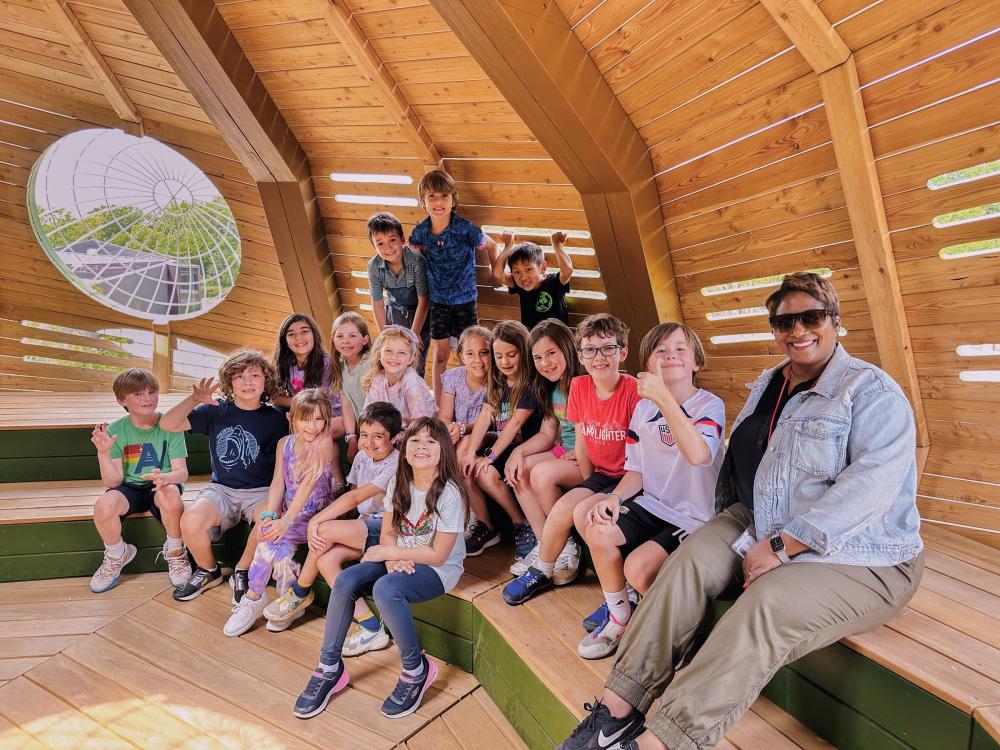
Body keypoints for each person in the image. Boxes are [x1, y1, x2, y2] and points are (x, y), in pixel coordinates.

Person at [558, 273, 925, 750]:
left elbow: (871, 486)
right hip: (761, 518)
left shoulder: (869, 391)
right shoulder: (770, 384)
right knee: (684, 567)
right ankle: (618, 705)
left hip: (861, 552)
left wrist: (782, 545)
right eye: (784, 321)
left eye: (810, 317)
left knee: (763, 606)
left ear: (835, 321)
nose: (797, 330)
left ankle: (666, 739)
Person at [293, 417, 468, 721]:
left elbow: (439, 554)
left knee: (386, 588)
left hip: (439, 569)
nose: (421, 447)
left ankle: (416, 671)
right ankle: (329, 668)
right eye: (415, 440)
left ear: (444, 451)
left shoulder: (449, 493)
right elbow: (388, 532)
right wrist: (391, 559)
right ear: (405, 446)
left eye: (431, 441)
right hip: (399, 556)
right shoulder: (399, 484)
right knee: (346, 579)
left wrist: (391, 552)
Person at [576, 323, 725, 660]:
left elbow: (699, 454)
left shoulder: (709, 405)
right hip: (653, 504)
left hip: (694, 516)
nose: (670, 354)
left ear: (696, 363)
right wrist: (613, 498)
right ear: (648, 364)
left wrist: (662, 397)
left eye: (680, 349)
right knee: (597, 526)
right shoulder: (643, 410)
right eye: (661, 350)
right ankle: (620, 618)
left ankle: (681, 632)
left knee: (638, 569)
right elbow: (637, 471)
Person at [502, 313, 641, 605]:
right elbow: (582, 438)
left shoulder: (633, 391)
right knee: (564, 507)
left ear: (622, 352)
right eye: (590, 350)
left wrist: (599, 490)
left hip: (628, 476)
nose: (598, 357)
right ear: (581, 354)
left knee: (585, 513)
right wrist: (587, 484)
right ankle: (543, 566)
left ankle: (619, 594)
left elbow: (643, 452)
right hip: (600, 474)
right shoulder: (579, 386)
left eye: (607, 349)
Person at [264, 402, 402, 646]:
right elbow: (353, 493)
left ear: (395, 437)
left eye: (378, 436)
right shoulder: (363, 456)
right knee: (326, 560)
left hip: (388, 531)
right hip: (364, 527)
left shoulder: (395, 463)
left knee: (323, 529)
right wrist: (340, 522)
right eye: (365, 435)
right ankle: (371, 627)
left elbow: (356, 497)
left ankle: (300, 591)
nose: (369, 442)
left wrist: (317, 520)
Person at [161, 348, 289, 601]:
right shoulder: (216, 410)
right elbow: (167, 424)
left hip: (261, 491)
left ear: (266, 380)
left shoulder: (277, 419)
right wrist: (194, 400)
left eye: (254, 375)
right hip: (221, 489)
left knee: (267, 520)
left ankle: (242, 570)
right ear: (229, 382)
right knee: (190, 521)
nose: (247, 382)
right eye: (239, 376)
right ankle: (209, 570)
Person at [222, 389, 336, 637]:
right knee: (269, 543)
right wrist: (270, 516)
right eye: (305, 418)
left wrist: (285, 521)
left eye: (319, 419)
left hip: (317, 515)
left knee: (276, 542)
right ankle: (256, 598)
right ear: (291, 418)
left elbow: (307, 486)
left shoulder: (324, 444)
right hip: (288, 514)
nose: (312, 426)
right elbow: (277, 483)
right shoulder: (285, 444)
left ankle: (287, 604)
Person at [88, 368, 190, 593]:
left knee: (171, 495)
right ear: (121, 400)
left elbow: (181, 472)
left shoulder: (170, 425)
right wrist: (103, 454)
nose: (148, 398)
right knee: (103, 506)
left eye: (152, 392)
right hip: (130, 487)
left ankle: (175, 551)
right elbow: (114, 482)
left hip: (162, 484)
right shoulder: (116, 430)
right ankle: (117, 554)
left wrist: (165, 478)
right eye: (138, 394)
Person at [460, 320, 549, 560]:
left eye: (511, 355)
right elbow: (484, 416)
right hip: (506, 447)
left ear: (523, 352)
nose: (505, 362)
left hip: (528, 449)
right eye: (499, 356)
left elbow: (515, 425)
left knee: (486, 471)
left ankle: (523, 525)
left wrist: (490, 457)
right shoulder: (498, 382)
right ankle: (491, 525)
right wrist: (471, 453)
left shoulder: (530, 384)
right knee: (468, 465)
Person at [408, 169, 498, 401]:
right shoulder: (421, 232)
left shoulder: (465, 229)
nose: (438, 202)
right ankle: (439, 405)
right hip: (438, 302)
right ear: (423, 201)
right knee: (440, 354)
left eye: (444, 196)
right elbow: (412, 252)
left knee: (469, 354)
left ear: (453, 199)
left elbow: (491, 245)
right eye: (431, 197)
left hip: (465, 301)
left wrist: (494, 273)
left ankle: (476, 399)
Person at [507, 320, 584, 576]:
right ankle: (545, 544)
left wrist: (585, 453)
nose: (545, 363)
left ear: (567, 348)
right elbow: (548, 433)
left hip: (586, 458)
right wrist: (518, 452)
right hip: (567, 451)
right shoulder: (551, 387)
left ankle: (567, 546)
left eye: (551, 353)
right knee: (520, 470)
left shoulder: (582, 382)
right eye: (538, 357)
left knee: (542, 474)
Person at [272, 312, 347, 488]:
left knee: (319, 433)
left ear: (314, 334)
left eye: (304, 331)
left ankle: (337, 484)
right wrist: (296, 401)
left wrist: (298, 403)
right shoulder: (283, 365)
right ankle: (297, 483)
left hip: (331, 416)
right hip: (304, 417)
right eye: (291, 334)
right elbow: (274, 397)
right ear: (285, 340)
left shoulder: (325, 363)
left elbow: (318, 403)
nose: (299, 338)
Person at [439, 325, 492, 531]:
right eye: (470, 354)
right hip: (459, 432)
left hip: (486, 434)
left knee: (464, 445)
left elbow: (492, 421)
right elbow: (444, 415)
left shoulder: (494, 380)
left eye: (484, 353)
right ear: (461, 356)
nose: (477, 360)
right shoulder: (453, 377)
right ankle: (450, 508)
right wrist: (450, 428)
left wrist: (462, 429)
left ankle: (469, 513)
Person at [366, 212, 431, 377]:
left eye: (392, 240)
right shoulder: (374, 266)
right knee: (392, 358)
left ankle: (414, 396)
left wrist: (414, 334)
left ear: (402, 239)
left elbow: (424, 300)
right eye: (380, 243)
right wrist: (384, 335)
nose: (387, 248)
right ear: (374, 247)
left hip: (419, 315)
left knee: (415, 361)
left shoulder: (416, 261)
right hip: (394, 313)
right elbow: (378, 303)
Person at [492, 230, 574, 330]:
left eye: (528, 269)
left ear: (543, 267)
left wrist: (557, 244)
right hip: (533, 341)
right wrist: (508, 245)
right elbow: (497, 274)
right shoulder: (518, 285)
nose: (523, 277)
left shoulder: (553, 282)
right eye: (517, 272)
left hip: (558, 339)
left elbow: (567, 270)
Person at [363, 325, 437, 426]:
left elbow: (419, 422)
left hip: (423, 429)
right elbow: (369, 415)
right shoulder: (377, 380)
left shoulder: (411, 381)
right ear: (379, 355)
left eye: (401, 353)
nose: (394, 357)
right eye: (388, 351)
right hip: (394, 429)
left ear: (410, 360)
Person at [329, 311, 372, 463]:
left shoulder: (369, 364)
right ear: (333, 340)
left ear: (365, 339)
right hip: (358, 424)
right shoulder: (339, 366)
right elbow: (346, 405)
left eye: (352, 336)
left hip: (375, 423)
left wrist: (365, 436)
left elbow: (374, 403)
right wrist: (352, 438)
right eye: (340, 336)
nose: (345, 341)